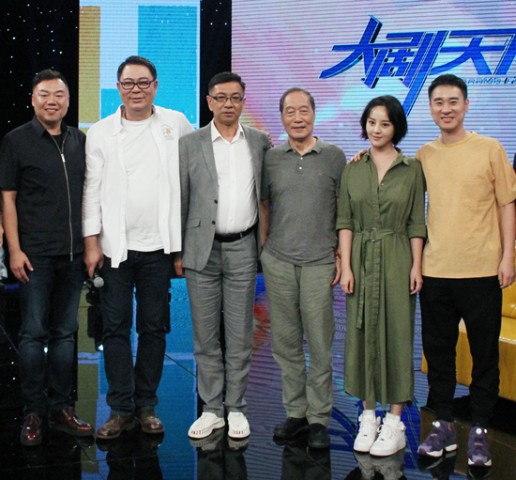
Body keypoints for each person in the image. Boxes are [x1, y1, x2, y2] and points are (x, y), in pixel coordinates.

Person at [82, 56, 193, 439]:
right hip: (115, 248)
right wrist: (91, 242)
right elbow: (91, 189)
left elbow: (199, 163)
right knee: (114, 329)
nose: (136, 90)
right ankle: (119, 408)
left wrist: (183, 246)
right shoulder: (101, 132)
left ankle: (146, 405)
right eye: (129, 83)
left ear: (155, 86)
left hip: (159, 247)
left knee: (154, 327)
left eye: (143, 82)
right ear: (118, 88)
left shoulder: (175, 123)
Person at [416, 74, 516, 467]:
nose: (446, 109)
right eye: (438, 102)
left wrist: (508, 257)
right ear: (430, 108)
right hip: (436, 271)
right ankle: (442, 423)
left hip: (482, 270)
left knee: (484, 355)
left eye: (453, 101)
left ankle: (480, 430)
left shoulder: (490, 149)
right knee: (438, 353)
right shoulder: (424, 155)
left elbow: (507, 204)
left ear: (466, 105)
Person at [0, 69, 93, 446]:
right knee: (33, 333)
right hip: (34, 256)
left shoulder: (80, 140)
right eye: (44, 94)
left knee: (66, 334)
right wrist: (14, 250)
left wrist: (91, 245)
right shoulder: (16, 141)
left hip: (73, 255)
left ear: (68, 101)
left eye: (59, 94)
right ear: (33, 99)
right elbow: (7, 198)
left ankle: (61, 407)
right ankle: (33, 412)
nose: (51, 100)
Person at [177, 71, 271, 441]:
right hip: (201, 248)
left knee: (240, 333)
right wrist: (179, 250)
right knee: (205, 335)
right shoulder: (190, 143)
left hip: (243, 247)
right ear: (209, 101)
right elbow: (181, 198)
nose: (228, 104)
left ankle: (236, 407)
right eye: (221, 97)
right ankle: (212, 408)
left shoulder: (260, 142)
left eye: (235, 98)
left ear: (243, 102)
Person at [337, 95, 426, 456]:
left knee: (399, 335)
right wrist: (345, 265)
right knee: (361, 337)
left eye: (385, 124)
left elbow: (416, 222)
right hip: (361, 257)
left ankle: (394, 422)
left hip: (397, 255)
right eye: (372, 122)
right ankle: (368, 416)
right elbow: (344, 221)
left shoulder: (412, 168)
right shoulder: (353, 167)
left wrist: (416, 265)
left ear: (396, 128)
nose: (376, 129)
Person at [260, 88, 346, 449]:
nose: (297, 117)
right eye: (290, 111)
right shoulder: (271, 158)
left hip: (319, 262)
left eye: (304, 110)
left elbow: (344, 208)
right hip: (278, 261)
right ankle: (296, 413)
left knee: (320, 342)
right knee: (286, 342)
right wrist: (264, 249)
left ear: (314, 113)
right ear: (282, 117)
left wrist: (340, 255)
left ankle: (319, 418)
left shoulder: (334, 156)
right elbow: (264, 205)